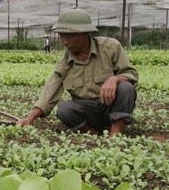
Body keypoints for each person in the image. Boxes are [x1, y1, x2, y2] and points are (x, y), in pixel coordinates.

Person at [17, 8, 138, 138]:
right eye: (62, 36)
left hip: (110, 106)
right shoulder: (64, 63)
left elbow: (131, 74)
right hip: (88, 112)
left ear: (84, 33)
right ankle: (92, 133)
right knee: (64, 110)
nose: (65, 42)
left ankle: (115, 135)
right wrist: (29, 118)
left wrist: (114, 79)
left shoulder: (110, 47)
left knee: (125, 88)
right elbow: (49, 93)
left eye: (69, 36)